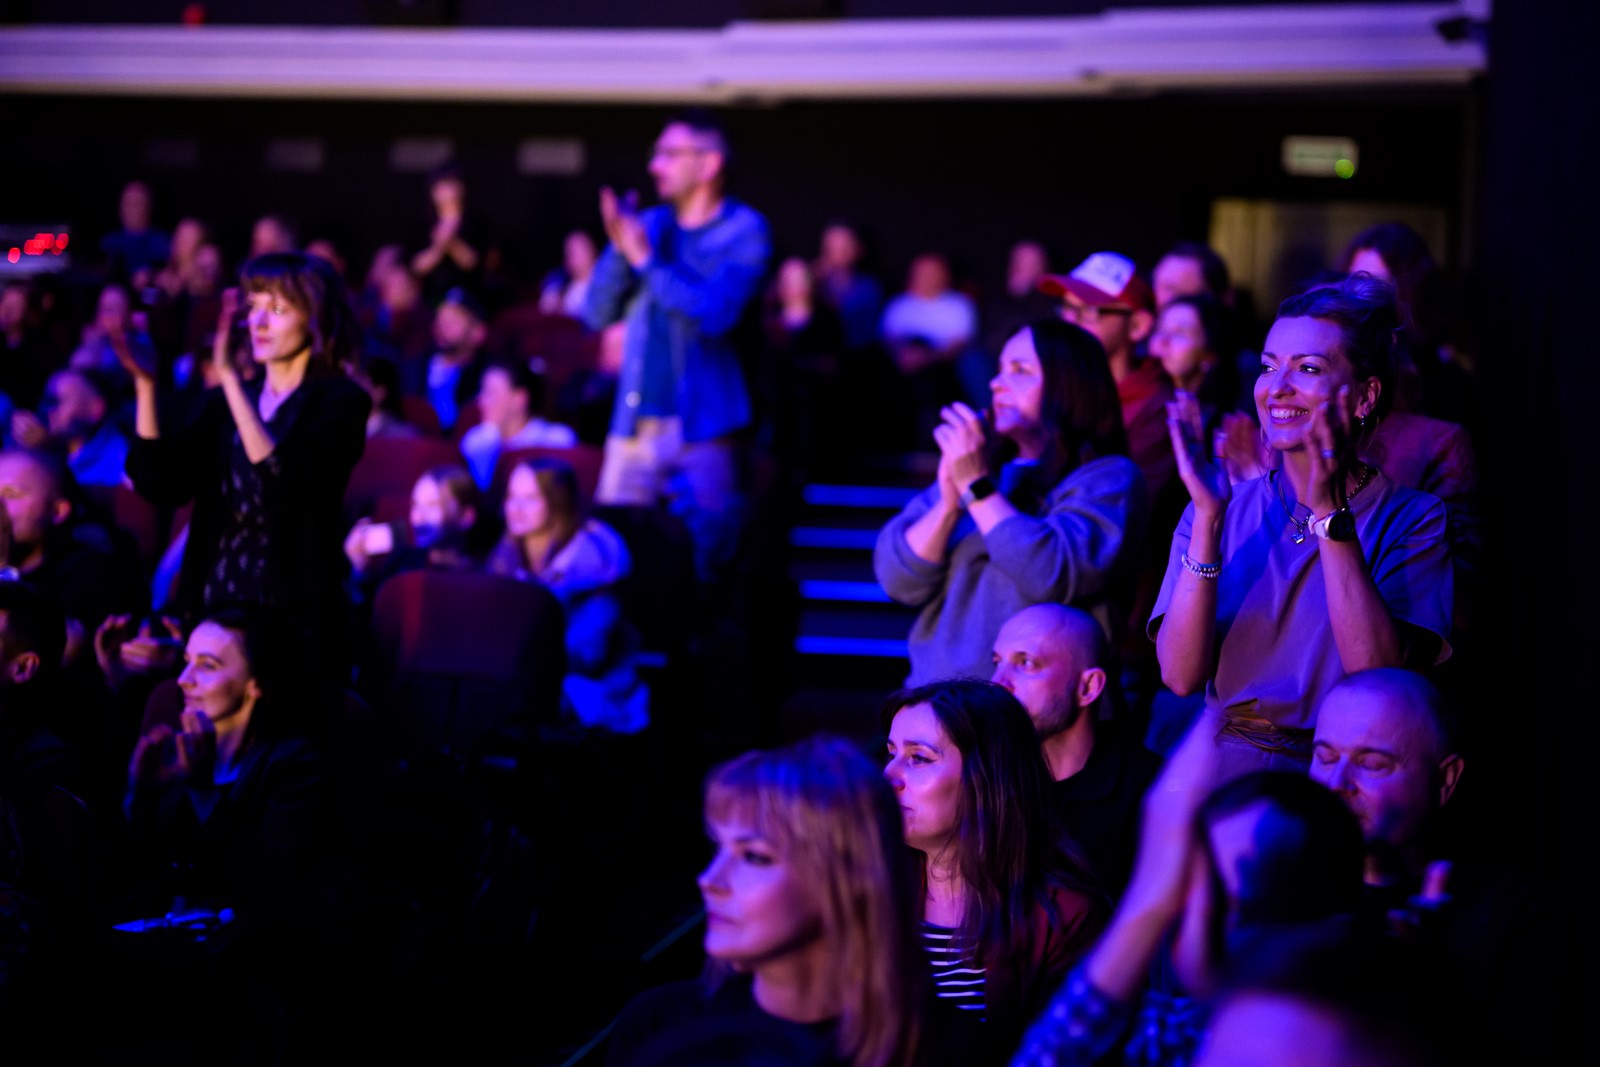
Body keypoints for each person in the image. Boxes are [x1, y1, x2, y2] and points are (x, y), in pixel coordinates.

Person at [1153, 273, 1452, 782]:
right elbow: (1180, 676)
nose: (1277, 388)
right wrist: (1207, 517)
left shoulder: (1413, 517)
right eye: (1268, 367)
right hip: (1221, 772)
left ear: (1364, 396)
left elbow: (1376, 679)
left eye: (1307, 368)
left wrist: (1329, 513)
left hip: (1334, 778)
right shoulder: (1222, 507)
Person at [1012, 722, 1368, 1067]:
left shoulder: (1345, 1044)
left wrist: (1145, 904)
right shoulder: (1178, 1030)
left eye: (1228, 901)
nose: (1192, 916)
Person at [608, 735, 926, 1067]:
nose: (709, 880)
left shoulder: (938, 1044)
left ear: (847, 879)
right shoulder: (657, 1028)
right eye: (718, 847)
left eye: (753, 856)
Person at [120, 252, 371, 662]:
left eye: (278, 309)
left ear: (314, 318)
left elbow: (283, 483)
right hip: (213, 600)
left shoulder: (341, 402)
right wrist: (145, 386)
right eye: (253, 307)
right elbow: (162, 483)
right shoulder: (222, 403)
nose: (259, 322)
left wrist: (231, 381)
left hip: (291, 615)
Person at [873, 317, 1144, 686]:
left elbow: (1051, 574)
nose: (996, 383)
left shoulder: (1109, 478)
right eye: (1000, 369)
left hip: (1039, 711)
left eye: (1020, 370)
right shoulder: (981, 462)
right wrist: (949, 504)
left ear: (1069, 384)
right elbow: (897, 580)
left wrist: (976, 487)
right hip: (939, 697)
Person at [583, 108, 771, 581]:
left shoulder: (743, 231)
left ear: (708, 164)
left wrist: (645, 260)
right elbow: (596, 312)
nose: (655, 166)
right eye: (656, 154)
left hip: (705, 427)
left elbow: (716, 314)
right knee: (614, 559)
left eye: (669, 154)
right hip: (634, 424)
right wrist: (618, 247)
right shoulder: (648, 225)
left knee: (709, 562)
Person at [883, 679, 1107, 1056]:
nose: (889, 776)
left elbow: (1062, 1054)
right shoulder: (872, 888)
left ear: (987, 775)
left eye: (918, 758)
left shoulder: (1063, 916)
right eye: (890, 754)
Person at [990, 604, 1161, 898]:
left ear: (1088, 687)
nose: (997, 683)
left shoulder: (1151, 791)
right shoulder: (985, 775)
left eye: (1026, 663)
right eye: (997, 662)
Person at [487, 457, 648, 734]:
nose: (515, 508)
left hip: (591, 692)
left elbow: (588, 655)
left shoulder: (595, 564)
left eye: (530, 499)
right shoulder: (506, 553)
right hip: (524, 681)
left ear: (558, 502)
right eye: (512, 497)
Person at [1041, 252, 1172, 516]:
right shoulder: (1054, 388)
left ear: (1138, 325)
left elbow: (1127, 509)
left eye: (1089, 311)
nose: (1070, 321)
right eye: (1067, 308)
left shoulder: (1159, 410)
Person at [344, 464, 482, 602]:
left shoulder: (480, 575)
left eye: (432, 506)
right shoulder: (403, 560)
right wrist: (360, 570)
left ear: (466, 517)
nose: (417, 519)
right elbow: (369, 608)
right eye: (415, 505)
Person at [457, 358, 576, 490]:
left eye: (491, 393)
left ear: (519, 398)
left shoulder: (555, 440)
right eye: (482, 392)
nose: (481, 401)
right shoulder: (476, 442)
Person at [10, 368, 131, 489]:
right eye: (46, 400)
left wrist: (48, 450)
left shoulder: (120, 461)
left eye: (59, 400)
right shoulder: (47, 446)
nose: (48, 409)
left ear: (96, 409)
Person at [410, 161, 484, 306]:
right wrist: (438, 246)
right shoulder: (423, 225)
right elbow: (416, 266)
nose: (446, 192)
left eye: (450, 185)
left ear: (461, 188)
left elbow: (473, 263)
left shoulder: (476, 224)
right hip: (430, 295)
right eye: (440, 187)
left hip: (467, 296)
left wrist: (452, 241)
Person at [538, 230, 599, 318]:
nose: (572, 258)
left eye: (578, 252)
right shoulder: (561, 284)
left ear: (592, 251)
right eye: (569, 253)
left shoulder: (603, 285)